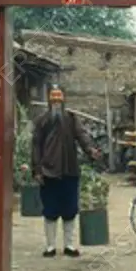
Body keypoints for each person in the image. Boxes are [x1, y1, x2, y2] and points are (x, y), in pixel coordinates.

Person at [31, 85, 103, 257]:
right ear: (49, 98)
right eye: (53, 95)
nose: (56, 98)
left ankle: (69, 245)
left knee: (70, 209)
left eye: (59, 95)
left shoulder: (71, 119)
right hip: (48, 172)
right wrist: (37, 169)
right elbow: (35, 146)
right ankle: (50, 246)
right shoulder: (41, 120)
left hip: (69, 170)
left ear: (64, 98)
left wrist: (91, 150)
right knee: (50, 210)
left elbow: (82, 136)